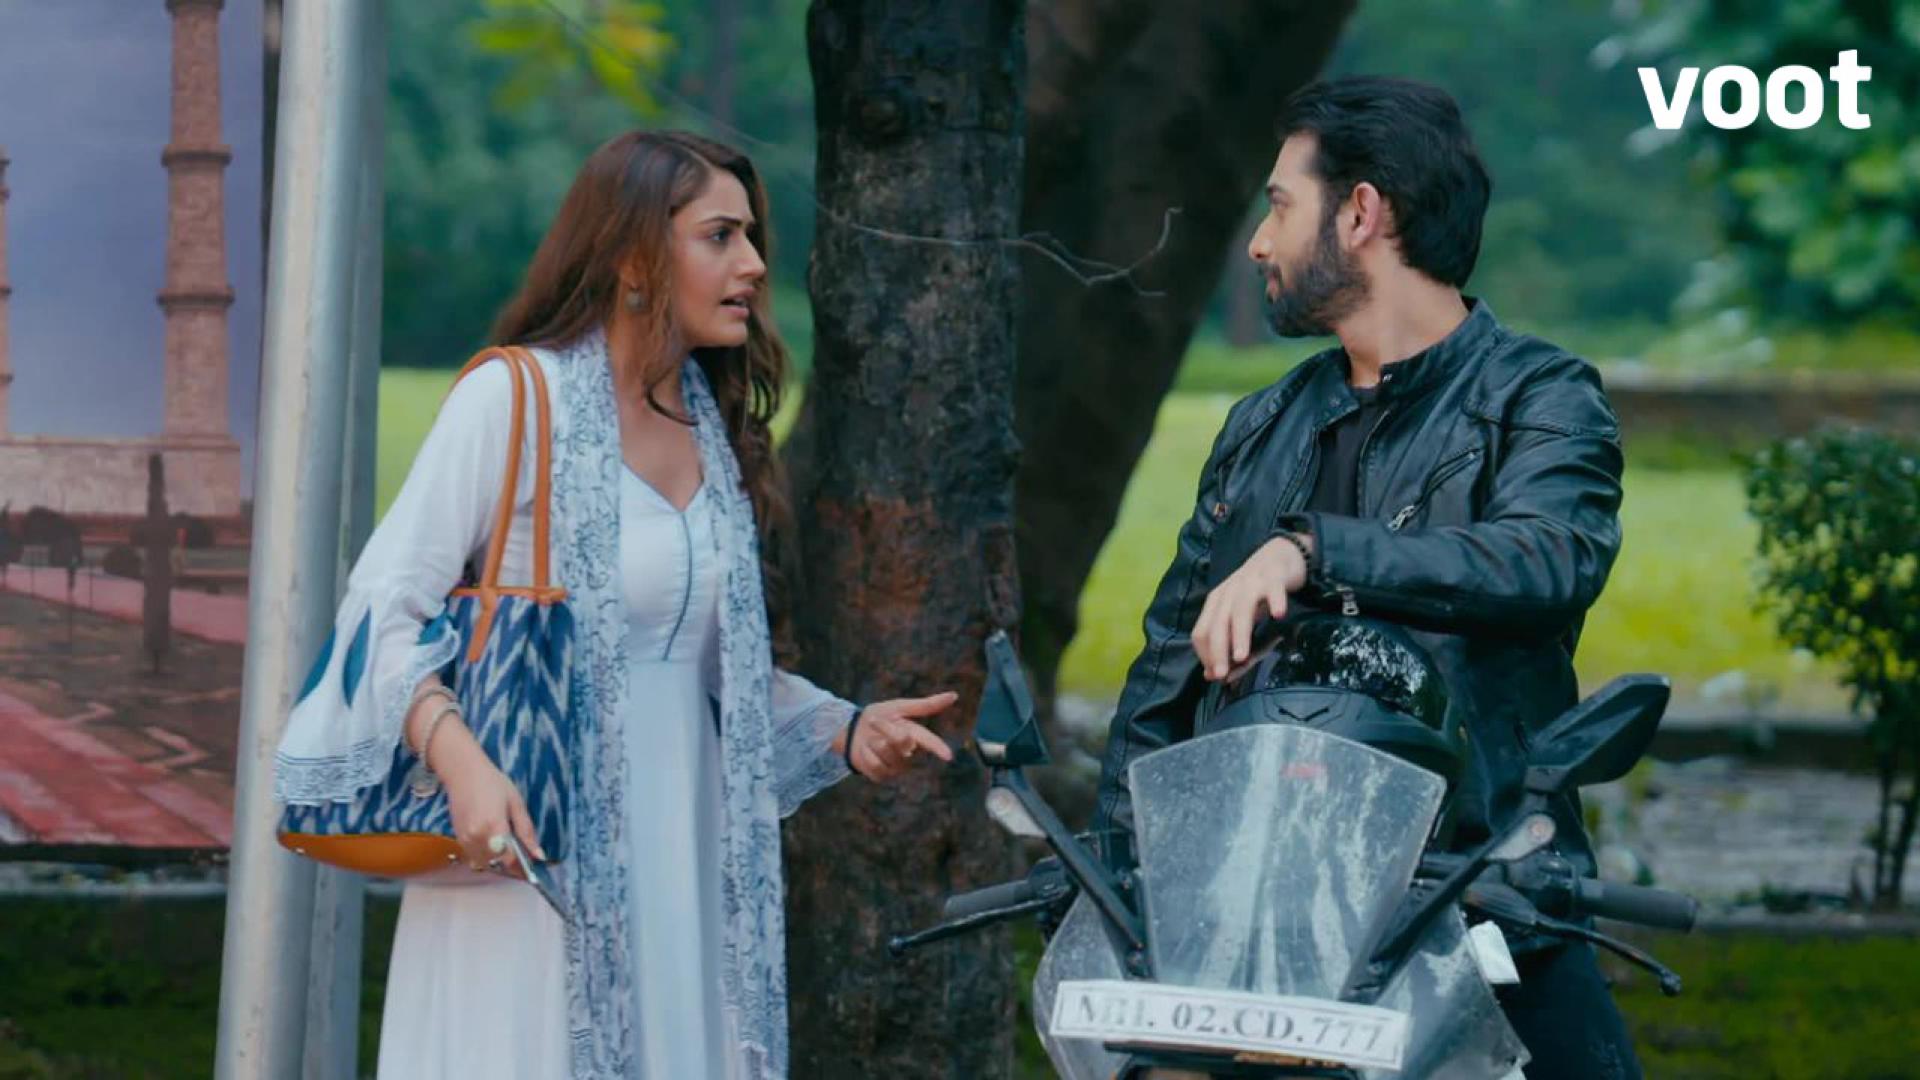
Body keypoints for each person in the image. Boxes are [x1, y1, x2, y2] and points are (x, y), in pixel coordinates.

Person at [275, 130, 955, 1080]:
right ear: (635, 255)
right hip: (535, 846)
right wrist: (463, 765)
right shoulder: (515, 398)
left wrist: (846, 731)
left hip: (687, 858)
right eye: (719, 236)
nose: (754, 265)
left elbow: (702, 673)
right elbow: (380, 612)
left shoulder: (711, 429)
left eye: (751, 236)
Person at [1089, 77, 1640, 1077]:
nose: (1259, 243)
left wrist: (1314, 551)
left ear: (1362, 213)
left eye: (1280, 205)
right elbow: (1165, 677)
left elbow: (1548, 556)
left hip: (1486, 893)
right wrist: (1120, 889)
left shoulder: (1542, 395)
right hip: (1269, 914)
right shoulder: (1261, 425)